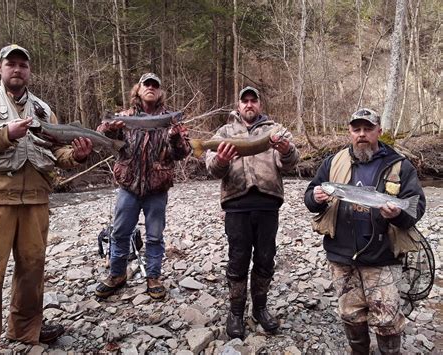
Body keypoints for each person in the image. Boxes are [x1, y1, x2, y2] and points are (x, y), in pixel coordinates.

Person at [0, 44, 93, 354]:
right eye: (11, 64)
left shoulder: (44, 109)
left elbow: (56, 155)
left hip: (37, 199)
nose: (17, 70)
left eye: (23, 65)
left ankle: (25, 330)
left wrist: (75, 156)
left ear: (29, 71)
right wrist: (5, 134)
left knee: (32, 268)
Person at [304, 108, 426, 354]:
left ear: (379, 131)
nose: (362, 134)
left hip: (382, 257)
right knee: (350, 314)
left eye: (368, 129)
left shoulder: (399, 165)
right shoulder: (332, 162)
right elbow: (310, 198)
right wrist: (316, 197)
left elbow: (417, 207)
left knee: (388, 320)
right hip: (341, 256)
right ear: (349, 132)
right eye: (356, 129)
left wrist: (399, 213)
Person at [205, 86, 299, 339]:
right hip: (236, 204)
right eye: (244, 101)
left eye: (253, 101)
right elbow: (212, 169)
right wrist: (221, 160)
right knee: (238, 258)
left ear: (259, 104)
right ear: (238, 105)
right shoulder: (224, 132)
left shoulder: (275, 130)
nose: (249, 104)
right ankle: (236, 312)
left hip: (268, 204)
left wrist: (285, 149)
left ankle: (260, 308)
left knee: (266, 258)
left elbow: (291, 162)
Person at [95, 73, 191, 300]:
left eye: (155, 85)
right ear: (138, 90)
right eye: (146, 84)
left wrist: (176, 138)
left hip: (157, 189)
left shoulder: (172, 120)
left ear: (159, 92)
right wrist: (111, 130)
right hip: (128, 186)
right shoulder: (124, 117)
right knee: (119, 233)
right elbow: (102, 139)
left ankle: (154, 276)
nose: (150, 88)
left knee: (155, 237)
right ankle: (117, 274)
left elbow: (184, 152)